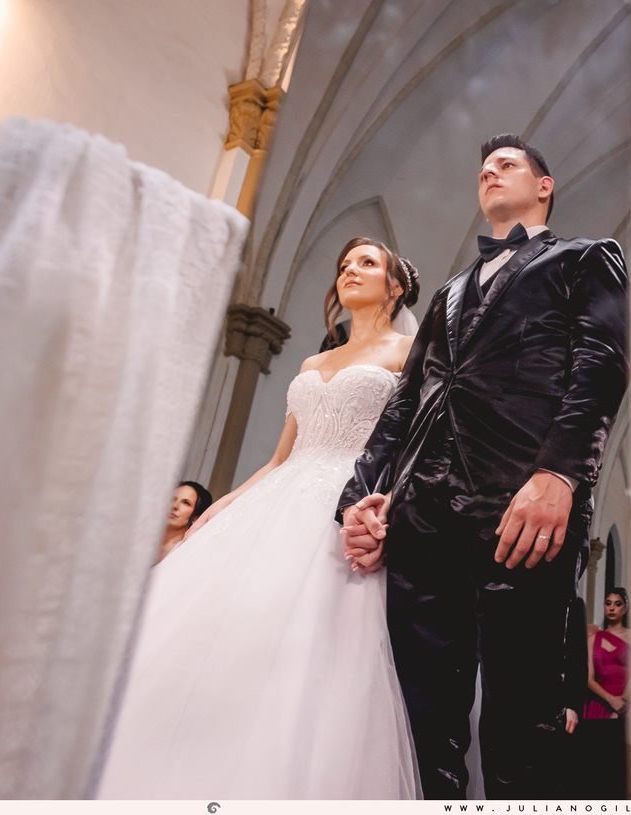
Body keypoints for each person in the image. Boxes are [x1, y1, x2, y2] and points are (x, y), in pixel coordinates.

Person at [338, 134, 629, 799]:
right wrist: (364, 494)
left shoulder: (586, 259)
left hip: (522, 510)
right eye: (483, 168)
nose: (489, 172)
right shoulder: (446, 294)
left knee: (521, 720)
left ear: (544, 186)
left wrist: (559, 474)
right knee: (421, 714)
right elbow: (407, 401)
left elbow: (600, 367)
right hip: (422, 518)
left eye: (507, 164)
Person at [97, 238, 422, 799]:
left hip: (350, 503)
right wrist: (223, 505)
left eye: (367, 263)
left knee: (311, 650)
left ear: (395, 286)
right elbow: (280, 459)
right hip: (282, 497)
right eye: (344, 265)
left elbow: (414, 446)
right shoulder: (313, 361)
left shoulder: (409, 352)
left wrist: (385, 506)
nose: (350, 272)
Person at [584, 588, 630, 720]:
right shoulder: (593, 639)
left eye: (618, 604)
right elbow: (588, 678)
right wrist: (611, 700)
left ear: (625, 608)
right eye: (608, 603)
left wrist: (622, 703)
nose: (612, 608)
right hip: (599, 701)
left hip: (627, 702)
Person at [154, 480, 212, 564]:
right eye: (172, 499)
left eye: (186, 503)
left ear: (197, 517)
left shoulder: (191, 553)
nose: (175, 506)